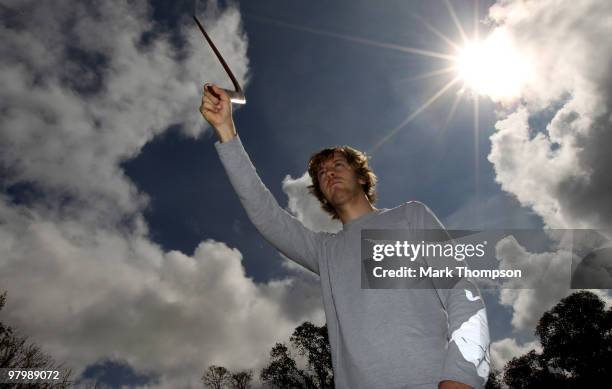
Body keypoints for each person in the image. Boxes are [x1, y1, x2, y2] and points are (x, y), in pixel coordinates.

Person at [200, 84, 490, 389]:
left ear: (362, 176)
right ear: (320, 193)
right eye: (321, 173)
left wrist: (462, 376)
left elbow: (462, 291)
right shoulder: (325, 251)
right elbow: (266, 215)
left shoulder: (410, 217)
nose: (329, 173)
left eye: (338, 165)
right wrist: (226, 129)